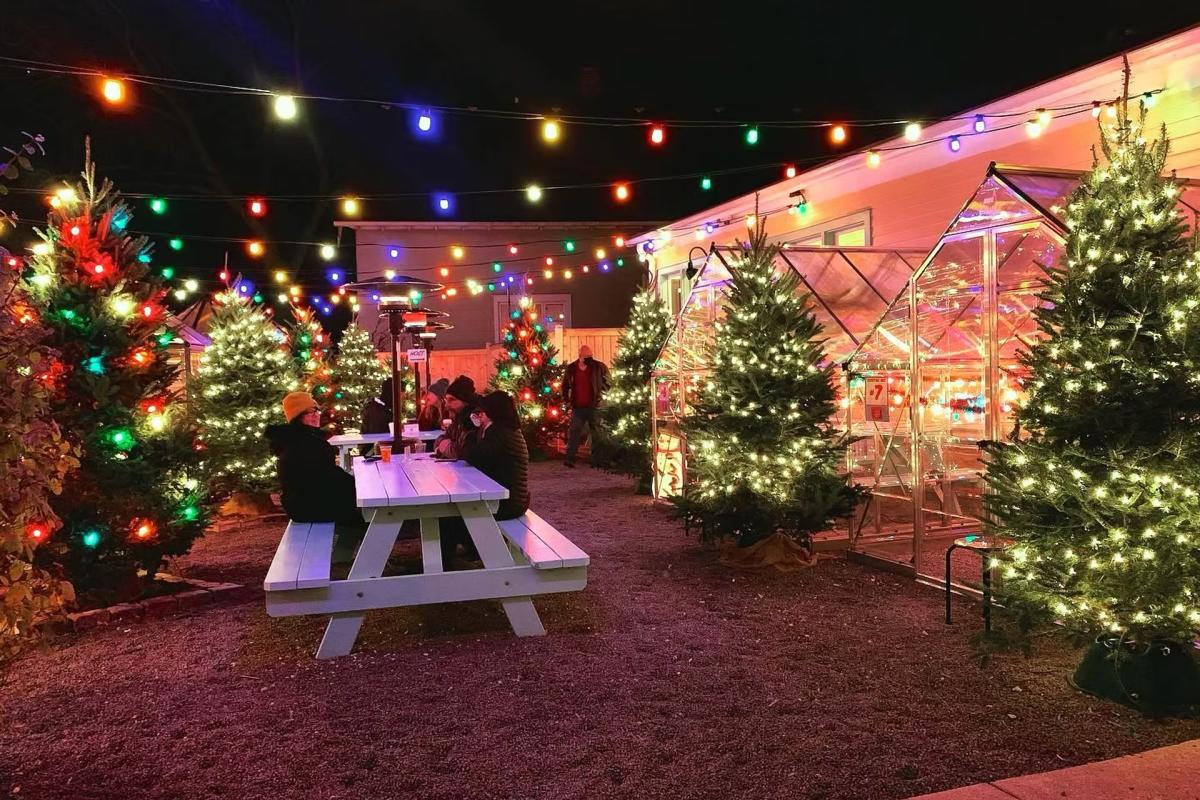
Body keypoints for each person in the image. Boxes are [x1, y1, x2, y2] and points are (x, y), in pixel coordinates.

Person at [266, 391, 365, 564]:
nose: (316, 416)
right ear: (298, 417)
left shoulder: (302, 439)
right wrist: (358, 486)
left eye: (316, 411)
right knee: (362, 515)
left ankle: (342, 557)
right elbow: (327, 477)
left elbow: (325, 475)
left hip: (302, 501)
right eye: (310, 413)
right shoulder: (304, 443)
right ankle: (347, 560)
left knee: (357, 511)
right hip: (307, 505)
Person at [440, 390, 530, 566]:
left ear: (492, 412)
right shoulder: (504, 429)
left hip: (508, 503)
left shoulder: (498, 432)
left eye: (483, 412)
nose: (480, 415)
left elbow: (473, 455)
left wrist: (471, 432)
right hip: (512, 497)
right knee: (456, 511)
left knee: (448, 515)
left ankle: (445, 562)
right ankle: (463, 552)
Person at [560, 344, 609, 467]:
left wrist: (601, 393)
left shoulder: (598, 367)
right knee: (574, 433)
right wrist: (566, 399)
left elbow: (608, 382)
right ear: (580, 355)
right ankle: (570, 458)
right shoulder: (571, 368)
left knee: (597, 433)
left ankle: (597, 460)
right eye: (587, 356)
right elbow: (565, 385)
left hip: (594, 406)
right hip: (578, 407)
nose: (589, 359)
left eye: (590, 356)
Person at [434, 375, 478, 459]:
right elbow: (440, 439)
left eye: (452, 400)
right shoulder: (458, 419)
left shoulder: (474, 420)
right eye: (446, 400)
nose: (446, 406)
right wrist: (444, 444)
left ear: (466, 401)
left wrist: (445, 447)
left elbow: (463, 453)